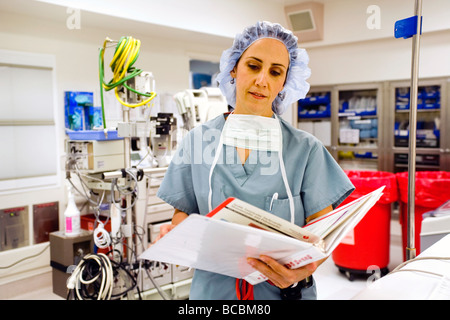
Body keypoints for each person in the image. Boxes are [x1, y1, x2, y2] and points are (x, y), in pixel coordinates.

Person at [155, 21, 354, 300]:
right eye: (253, 66)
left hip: (282, 293)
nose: (262, 80)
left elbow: (322, 235)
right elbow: (183, 212)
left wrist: (301, 273)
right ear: (234, 68)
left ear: (284, 82)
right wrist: (178, 235)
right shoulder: (198, 142)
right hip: (214, 293)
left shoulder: (305, 150)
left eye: (275, 72)